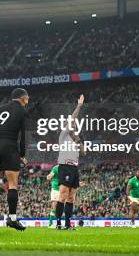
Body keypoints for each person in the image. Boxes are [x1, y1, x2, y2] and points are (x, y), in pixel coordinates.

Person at [0, 88, 29, 231]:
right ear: (22, 98)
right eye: (27, 98)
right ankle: (12, 218)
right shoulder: (22, 111)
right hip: (9, 146)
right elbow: (23, 136)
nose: (28, 101)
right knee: (13, 184)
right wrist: (22, 154)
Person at [54, 95, 84, 230]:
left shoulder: (75, 139)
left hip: (74, 168)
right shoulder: (63, 135)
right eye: (70, 123)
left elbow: (83, 153)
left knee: (71, 197)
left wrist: (79, 142)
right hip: (64, 167)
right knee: (63, 194)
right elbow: (72, 119)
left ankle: (67, 224)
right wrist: (79, 105)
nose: (72, 124)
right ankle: (58, 223)